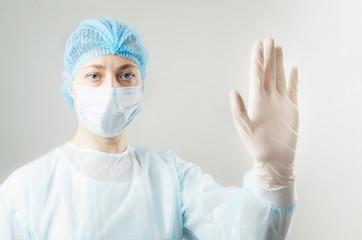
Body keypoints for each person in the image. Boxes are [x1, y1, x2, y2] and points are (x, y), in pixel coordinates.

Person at [0, 17, 299, 240]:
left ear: (141, 86)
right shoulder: (27, 189)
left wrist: (273, 173)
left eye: (126, 75)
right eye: (94, 75)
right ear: (71, 87)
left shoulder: (171, 178)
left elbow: (245, 233)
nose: (111, 88)